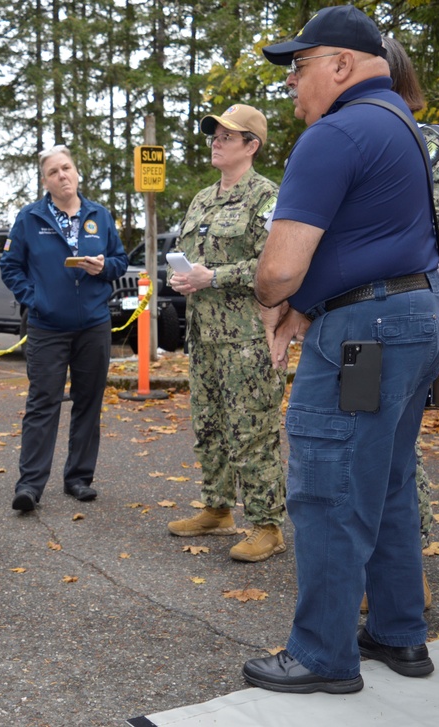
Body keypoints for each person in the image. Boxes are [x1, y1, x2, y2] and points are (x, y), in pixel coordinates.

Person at [242, 6, 439, 694]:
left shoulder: (335, 134)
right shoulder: (399, 126)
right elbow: (369, 243)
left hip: (365, 335)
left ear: (340, 65)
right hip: (417, 316)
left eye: (298, 67)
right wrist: (306, 301)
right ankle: (399, 634)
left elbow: (278, 267)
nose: (293, 84)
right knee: (387, 477)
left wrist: (274, 299)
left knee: (330, 484)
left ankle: (322, 653)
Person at [357, 36, 439, 614]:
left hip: (402, 318)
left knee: (398, 449)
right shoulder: (343, 140)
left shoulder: (425, 143)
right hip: (350, 328)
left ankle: (404, 572)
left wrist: (369, 253)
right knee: (359, 438)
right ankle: (374, 570)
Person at [165, 105, 287, 562]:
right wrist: (185, 278)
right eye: (214, 134)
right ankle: (217, 509)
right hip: (204, 337)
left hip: (247, 339)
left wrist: (212, 277)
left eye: (227, 136)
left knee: (252, 431)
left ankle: (267, 525)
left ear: (251, 146)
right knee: (210, 428)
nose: (216, 140)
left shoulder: (269, 199)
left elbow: (272, 265)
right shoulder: (202, 199)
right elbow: (192, 259)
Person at [0, 145, 128, 511]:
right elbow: (10, 266)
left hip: (94, 325)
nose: (62, 175)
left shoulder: (98, 216)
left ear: (77, 173)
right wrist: (34, 298)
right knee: (43, 404)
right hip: (47, 326)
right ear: (45, 181)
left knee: (88, 402)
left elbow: (121, 260)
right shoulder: (30, 218)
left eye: (67, 168)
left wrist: (104, 267)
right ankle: (30, 485)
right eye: (54, 172)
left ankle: (78, 478)